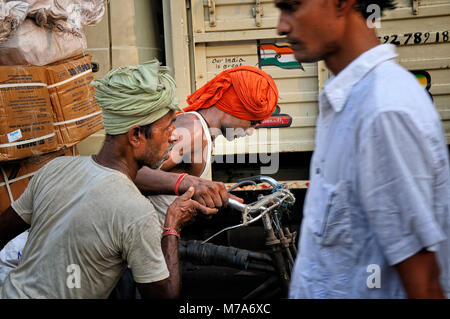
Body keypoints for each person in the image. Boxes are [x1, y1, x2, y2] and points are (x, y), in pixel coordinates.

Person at [0, 60, 221, 299]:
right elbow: (164, 296)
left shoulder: (56, 168)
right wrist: (172, 227)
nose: (174, 135)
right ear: (136, 135)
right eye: (167, 128)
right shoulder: (137, 212)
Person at [274, 0, 450, 298]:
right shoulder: (350, 101)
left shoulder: (382, 111)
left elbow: (424, 284)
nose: (281, 26)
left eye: (293, 7)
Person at [136, 66, 279, 225]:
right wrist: (192, 183)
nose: (251, 131)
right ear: (233, 107)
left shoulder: (201, 130)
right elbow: (131, 175)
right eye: (252, 122)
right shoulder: (193, 130)